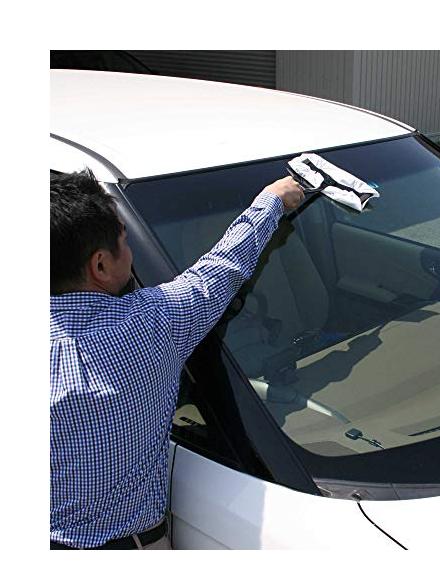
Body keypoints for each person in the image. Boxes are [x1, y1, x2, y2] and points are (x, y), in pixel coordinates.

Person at [50, 169, 304, 549]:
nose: (130, 252)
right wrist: (273, 200)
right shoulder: (151, 326)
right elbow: (221, 268)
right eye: (125, 240)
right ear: (100, 266)